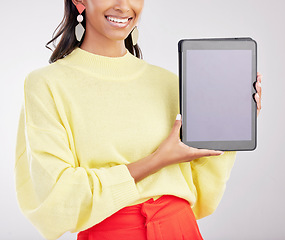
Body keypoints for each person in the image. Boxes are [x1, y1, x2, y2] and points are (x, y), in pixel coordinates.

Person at [14, 0, 262, 239]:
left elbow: (202, 190)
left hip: (181, 230)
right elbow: (59, 198)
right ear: (79, 1)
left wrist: (234, 120)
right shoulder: (46, 85)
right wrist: (157, 160)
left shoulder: (170, 83)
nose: (123, 5)